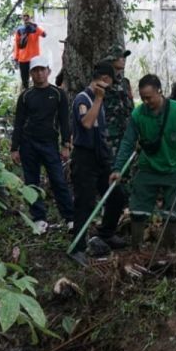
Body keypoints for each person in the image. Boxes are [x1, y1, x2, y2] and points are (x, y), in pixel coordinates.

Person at [113, 73, 176, 250]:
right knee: (138, 210)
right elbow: (128, 142)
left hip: (172, 168)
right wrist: (118, 168)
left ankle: (166, 248)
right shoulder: (139, 114)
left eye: (149, 97)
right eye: (143, 98)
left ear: (159, 92)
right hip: (147, 168)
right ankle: (136, 248)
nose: (146, 101)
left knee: (173, 213)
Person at [67, 63, 128, 264]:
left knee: (116, 195)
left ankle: (106, 233)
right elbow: (86, 123)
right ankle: (78, 247)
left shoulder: (97, 100)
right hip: (84, 158)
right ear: (104, 79)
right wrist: (100, 98)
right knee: (85, 202)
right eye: (109, 81)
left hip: (100, 157)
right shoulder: (83, 99)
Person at [11, 58, 74, 234]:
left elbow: (64, 122)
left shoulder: (58, 94)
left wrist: (66, 145)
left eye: (42, 70)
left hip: (49, 144)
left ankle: (70, 218)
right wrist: (14, 148)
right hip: (28, 144)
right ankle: (39, 219)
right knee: (32, 182)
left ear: (48, 71)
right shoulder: (25, 96)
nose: (39, 73)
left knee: (58, 181)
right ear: (31, 73)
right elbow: (19, 123)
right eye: (35, 70)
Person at [13, 12, 46, 89]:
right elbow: (17, 44)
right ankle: (26, 96)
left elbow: (44, 34)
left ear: (30, 17)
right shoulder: (19, 30)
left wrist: (34, 25)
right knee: (25, 81)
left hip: (34, 59)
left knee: (37, 79)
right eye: (24, 16)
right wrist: (16, 57)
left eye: (27, 16)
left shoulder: (35, 28)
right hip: (23, 59)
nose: (26, 18)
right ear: (22, 18)